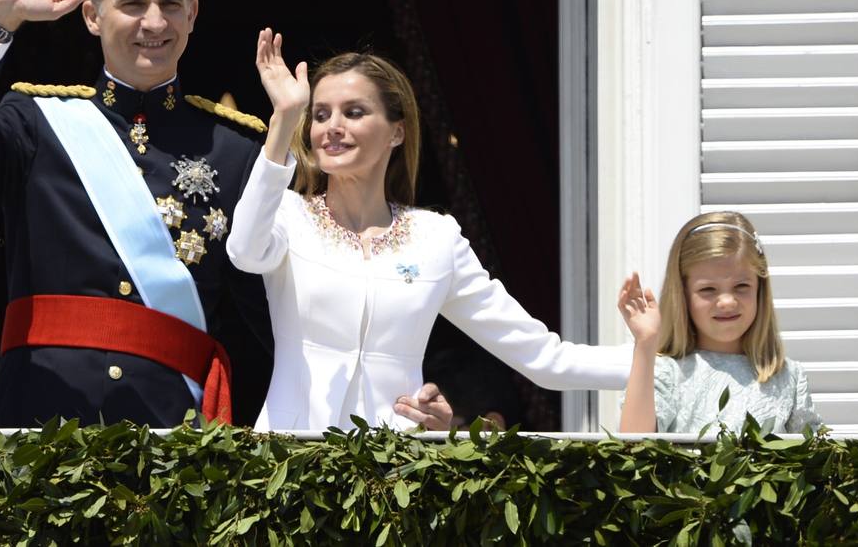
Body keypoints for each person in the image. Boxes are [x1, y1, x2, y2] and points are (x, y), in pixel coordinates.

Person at [0, 0, 276, 427]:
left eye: (170, 4)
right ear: (92, 15)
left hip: (174, 432)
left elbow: (268, 316)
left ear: (192, 15)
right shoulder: (37, 123)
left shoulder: (237, 150)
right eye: (133, 4)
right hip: (41, 422)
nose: (154, 22)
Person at [227, 33, 631, 431]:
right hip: (290, 459)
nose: (332, 126)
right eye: (319, 115)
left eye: (354, 112)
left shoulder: (436, 238)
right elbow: (244, 251)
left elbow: (544, 359)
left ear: (396, 132)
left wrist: (653, 362)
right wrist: (284, 119)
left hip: (395, 465)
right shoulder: (288, 214)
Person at [616, 211, 821, 433]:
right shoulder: (666, 372)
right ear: (682, 294)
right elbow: (634, 445)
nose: (727, 302)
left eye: (741, 286)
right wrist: (646, 342)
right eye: (708, 289)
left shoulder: (788, 377)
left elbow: (813, 451)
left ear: (760, 289)